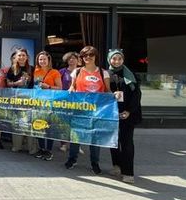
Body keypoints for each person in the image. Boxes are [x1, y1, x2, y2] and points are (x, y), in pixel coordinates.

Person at [65, 45, 111, 174]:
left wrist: (114, 96)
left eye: (91, 55)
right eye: (85, 56)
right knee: (76, 136)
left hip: (97, 111)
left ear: (96, 57)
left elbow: (107, 91)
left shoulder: (103, 72)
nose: (88, 58)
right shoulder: (77, 71)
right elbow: (72, 87)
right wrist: (70, 90)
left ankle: (95, 163)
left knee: (95, 138)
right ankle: (72, 159)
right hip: (80, 109)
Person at [108, 49, 142, 184]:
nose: (116, 61)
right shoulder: (106, 74)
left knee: (127, 143)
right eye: (114, 59)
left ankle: (128, 173)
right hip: (111, 113)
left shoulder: (130, 75)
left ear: (123, 60)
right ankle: (117, 166)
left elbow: (137, 95)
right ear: (109, 59)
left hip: (127, 114)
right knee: (113, 141)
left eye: (119, 59)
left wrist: (129, 111)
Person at [32, 51, 62, 161]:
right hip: (38, 102)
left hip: (50, 102)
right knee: (39, 125)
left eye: (44, 59)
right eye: (40, 59)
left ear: (49, 60)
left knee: (49, 126)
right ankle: (41, 148)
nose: (42, 61)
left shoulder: (55, 72)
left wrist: (48, 87)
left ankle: (48, 150)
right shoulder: (35, 71)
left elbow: (60, 88)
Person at [5, 48, 36, 154]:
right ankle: (17, 146)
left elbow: (36, 84)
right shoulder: (12, 69)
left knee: (29, 123)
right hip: (16, 99)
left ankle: (31, 147)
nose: (21, 57)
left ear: (27, 57)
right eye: (19, 55)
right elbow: (7, 83)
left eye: (23, 55)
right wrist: (16, 83)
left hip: (30, 100)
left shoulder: (32, 69)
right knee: (17, 122)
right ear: (16, 57)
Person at [58, 51, 79, 152]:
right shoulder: (62, 71)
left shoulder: (81, 71)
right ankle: (64, 144)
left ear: (78, 60)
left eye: (74, 58)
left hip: (78, 101)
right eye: (69, 58)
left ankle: (76, 145)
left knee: (76, 123)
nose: (71, 60)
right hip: (64, 101)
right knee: (64, 123)